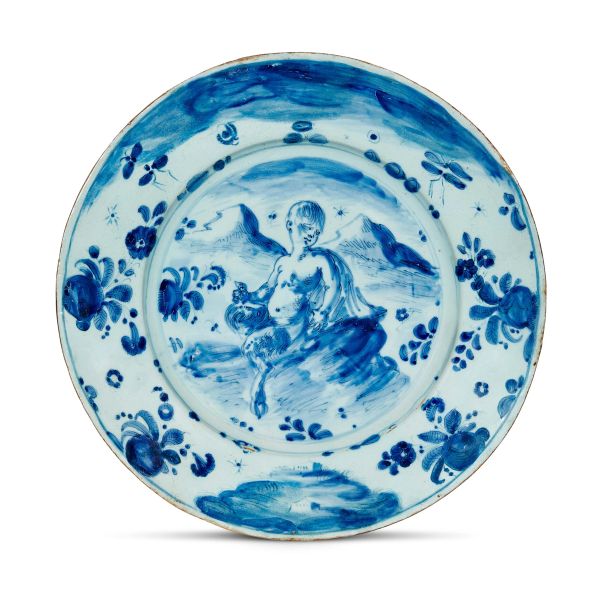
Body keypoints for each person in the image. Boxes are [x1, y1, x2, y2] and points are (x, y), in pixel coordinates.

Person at [227, 200, 382, 418]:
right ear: (290, 224)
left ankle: (261, 380)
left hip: (291, 328)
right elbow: (267, 290)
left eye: (317, 230)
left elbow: (333, 286)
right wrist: (248, 296)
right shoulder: (282, 263)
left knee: (251, 346)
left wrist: (324, 312)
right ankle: (263, 369)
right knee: (242, 326)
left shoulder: (320, 260)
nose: (313, 233)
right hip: (272, 321)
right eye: (308, 227)